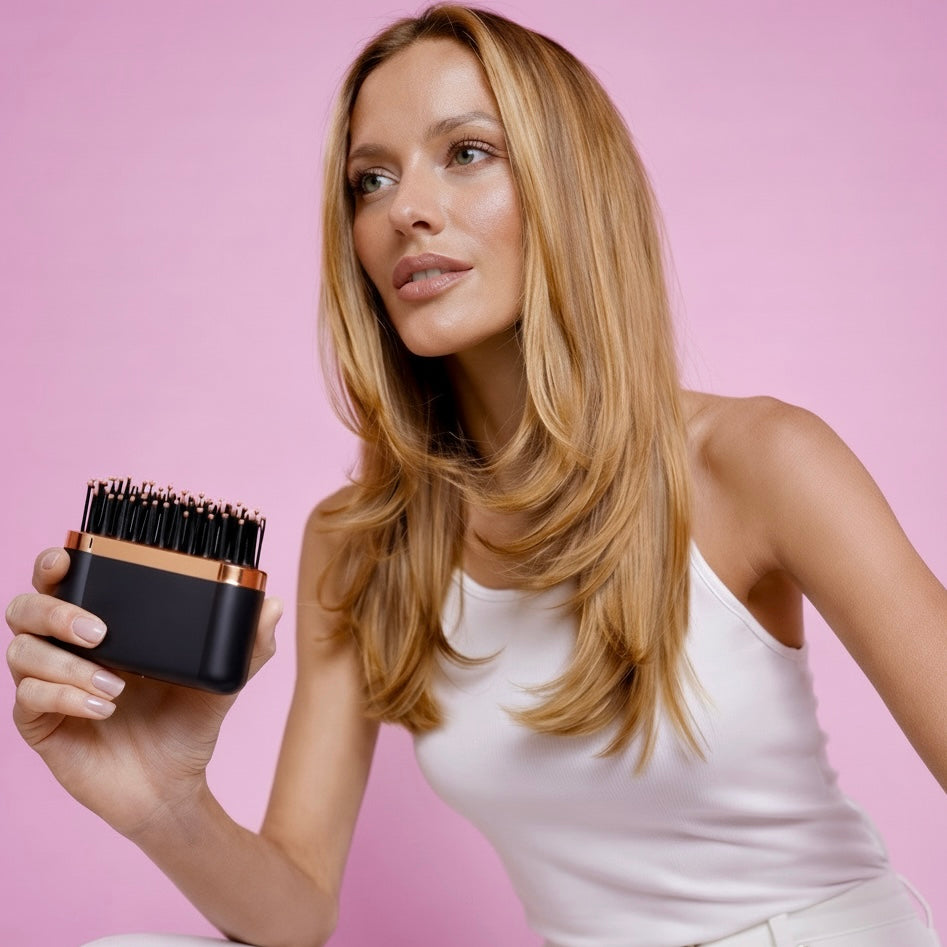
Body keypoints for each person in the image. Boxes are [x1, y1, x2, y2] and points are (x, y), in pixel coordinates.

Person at [5, 5, 945, 947]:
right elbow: (295, 909)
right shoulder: (360, 543)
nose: (404, 210)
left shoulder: (759, 460)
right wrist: (164, 803)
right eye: (371, 180)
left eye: (466, 153)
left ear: (568, 185)